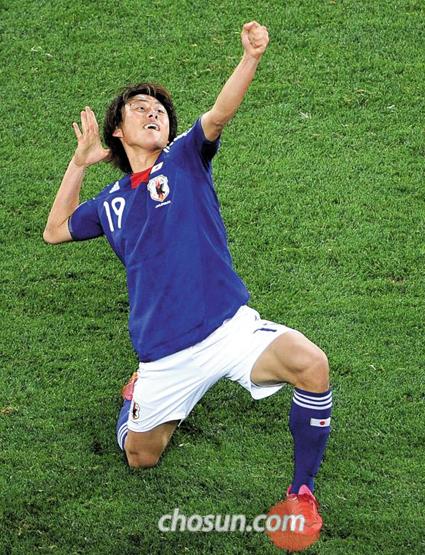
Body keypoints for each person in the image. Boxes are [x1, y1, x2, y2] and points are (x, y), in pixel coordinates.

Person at [43, 21, 332, 533]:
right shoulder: (110, 203)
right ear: (117, 131)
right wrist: (79, 162)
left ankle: (301, 493)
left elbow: (218, 115)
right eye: (140, 108)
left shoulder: (184, 158)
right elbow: (55, 230)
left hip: (230, 331)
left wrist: (250, 58)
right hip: (165, 356)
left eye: (159, 110)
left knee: (312, 364)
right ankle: (135, 398)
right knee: (141, 458)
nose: (153, 112)